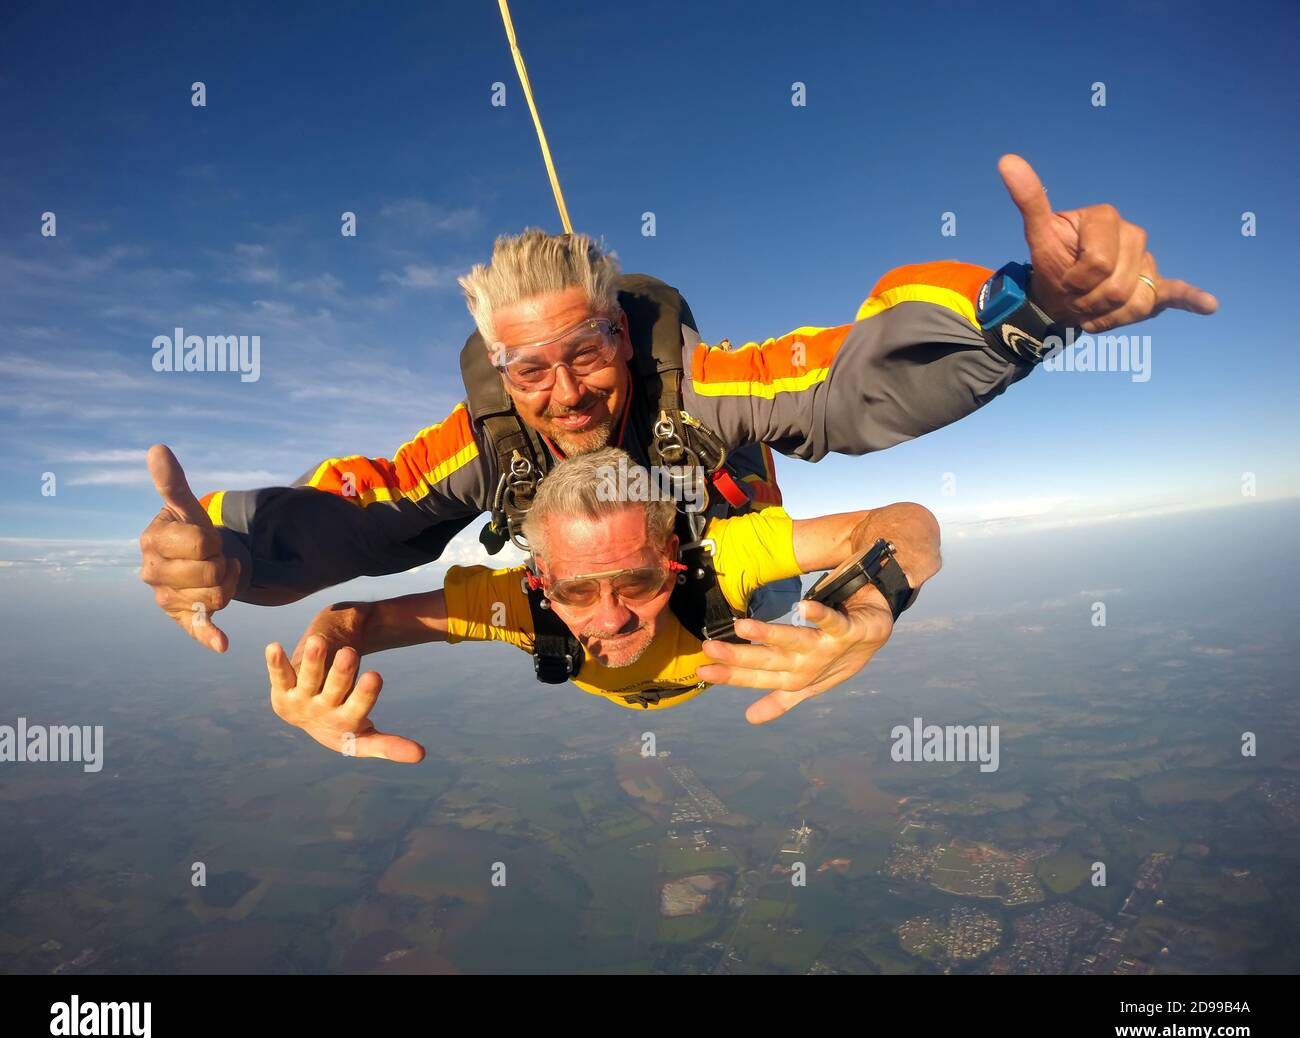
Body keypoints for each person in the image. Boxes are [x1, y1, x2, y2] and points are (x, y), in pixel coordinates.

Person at [142, 156, 1216, 663]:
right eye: (530, 371)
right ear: (499, 373)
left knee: (728, 575)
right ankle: (592, 605)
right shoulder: (481, 444)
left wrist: (1026, 310)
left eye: (589, 351)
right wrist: (232, 551)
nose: (565, 395)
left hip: (724, 562)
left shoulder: (705, 387)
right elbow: (365, 512)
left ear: (624, 336)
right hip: (588, 590)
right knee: (551, 602)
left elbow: (847, 382)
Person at [263, 449, 943, 760]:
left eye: (640, 582)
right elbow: (360, 620)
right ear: (540, 581)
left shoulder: (719, 561)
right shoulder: (517, 604)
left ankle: (744, 479)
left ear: (676, 559)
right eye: (577, 591)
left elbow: (904, 521)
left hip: (736, 597)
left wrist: (869, 601)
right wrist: (316, 666)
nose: (610, 617)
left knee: (777, 599)